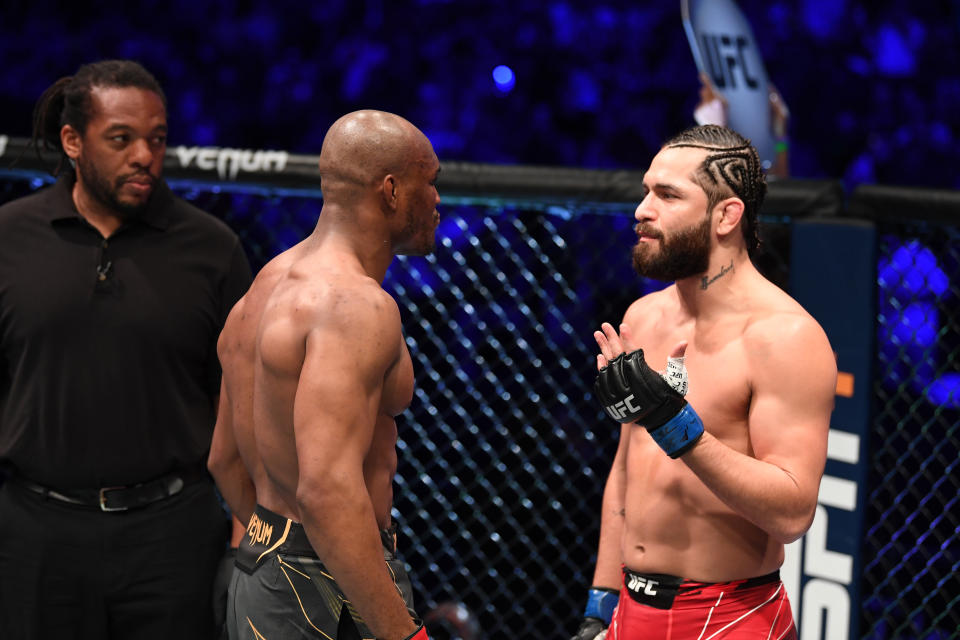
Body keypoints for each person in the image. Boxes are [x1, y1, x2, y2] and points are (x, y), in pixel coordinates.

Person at [0, 59, 252, 638]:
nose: (144, 155)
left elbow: (243, 405)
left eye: (156, 139)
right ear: (72, 141)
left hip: (171, 532)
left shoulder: (210, 249)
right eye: (121, 139)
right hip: (35, 530)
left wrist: (244, 538)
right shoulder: (10, 238)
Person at [571, 125, 836, 639]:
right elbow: (626, 471)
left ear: (726, 215)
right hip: (630, 609)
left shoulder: (785, 337)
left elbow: (793, 511)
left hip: (732, 617)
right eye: (646, 190)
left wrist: (676, 426)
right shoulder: (644, 318)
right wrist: (600, 606)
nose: (642, 210)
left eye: (667, 195)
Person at [208, 109, 439, 640]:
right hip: (332, 583)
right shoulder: (356, 305)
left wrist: (276, 543)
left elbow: (223, 458)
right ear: (390, 191)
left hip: (260, 568)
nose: (437, 200)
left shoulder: (266, 286)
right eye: (430, 182)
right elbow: (327, 491)